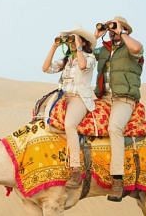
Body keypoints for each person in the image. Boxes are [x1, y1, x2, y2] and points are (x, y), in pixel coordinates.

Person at [94, 16, 144, 200]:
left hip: (124, 99)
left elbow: (136, 48)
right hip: (104, 98)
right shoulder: (105, 50)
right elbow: (87, 52)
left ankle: (117, 179)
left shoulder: (132, 48)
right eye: (110, 28)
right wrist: (96, 34)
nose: (111, 30)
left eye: (114, 27)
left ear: (125, 30)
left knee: (114, 128)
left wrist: (121, 32)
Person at [42, 27, 97, 187]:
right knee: (42, 118)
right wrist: (54, 46)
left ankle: (76, 169)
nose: (72, 42)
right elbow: (45, 68)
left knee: (69, 125)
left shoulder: (89, 57)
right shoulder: (67, 59)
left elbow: (82, 65)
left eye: (75, 39)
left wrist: (78, 47)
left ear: (83, 41)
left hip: (79, 98)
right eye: (71, 40)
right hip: (63, 97)